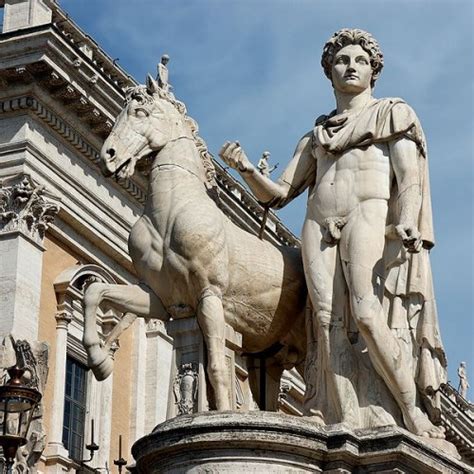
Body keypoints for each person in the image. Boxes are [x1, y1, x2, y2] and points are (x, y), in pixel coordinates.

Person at [219, 29, 447, 439]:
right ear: (330, 73)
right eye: (342, 60)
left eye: (359, 60)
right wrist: (247, 168)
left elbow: (408, 175)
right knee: (323, 324)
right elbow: (279, 194)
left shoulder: (391, 113)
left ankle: (410, 408)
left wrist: (408, 218)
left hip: (368, 213)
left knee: (365, 311)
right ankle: (335, 413)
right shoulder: (316, 136)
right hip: (318, 224)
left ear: (373, 70)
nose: (350, 66)